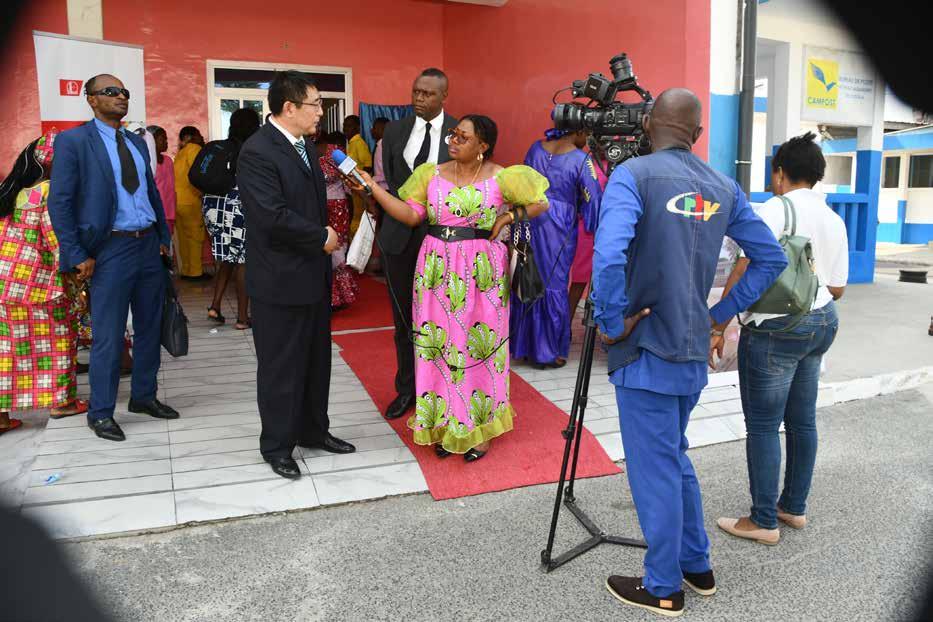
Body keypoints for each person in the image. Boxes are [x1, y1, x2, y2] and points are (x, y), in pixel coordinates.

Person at [591, 88, 787, 617]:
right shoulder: (724, 185)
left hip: (646, 348)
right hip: (690, 349)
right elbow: (770, 258)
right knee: (672, 457)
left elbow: (608, 256)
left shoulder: (632, 175)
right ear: (697, 134)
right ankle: (696, 565)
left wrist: (610, 322)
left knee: (654, 467)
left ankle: (662, 586)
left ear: (647, 124)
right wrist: (718, 316)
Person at [351, 115, 549, 461]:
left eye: (463, 137)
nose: (453, 140)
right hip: (435, 270)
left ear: (482, 145)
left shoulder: (502, 176)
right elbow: (411, 215)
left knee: (478, 347)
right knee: (438, 347)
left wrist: (508, 217)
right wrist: (374, 190)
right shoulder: (431, 174)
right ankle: (444, 425)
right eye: (453, 135)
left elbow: (541, 202)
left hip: (481, 273)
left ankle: (480, 429)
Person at [715, 132, 848, 545]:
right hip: (822, 321)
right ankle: (793, 507)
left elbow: (743, 266)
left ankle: (762, 521)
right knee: (802, 421)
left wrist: (718, 323)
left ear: (779, 173)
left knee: (763, 425)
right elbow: (838, 287)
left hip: (777, 327)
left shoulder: (775, 208)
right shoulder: (833, 218)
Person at [47, 73, 179, 442]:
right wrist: (76, 253)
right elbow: (60, 202)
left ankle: (143, 397)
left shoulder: (136, 141)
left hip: (147, 246)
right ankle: (101, 412)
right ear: (91, 99)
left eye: (124, 92)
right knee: (108, 334)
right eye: (110, 91)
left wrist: (162, 237)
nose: (120, 96)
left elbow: (150, 193)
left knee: (150, 327)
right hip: (109, 249)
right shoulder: (74, 142)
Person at [237, 70, 355, 480]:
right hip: (279, 278)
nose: (321, 112)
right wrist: (320, 236)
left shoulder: (304, 145)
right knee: (281, 367)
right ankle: (277, 445)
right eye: (316, 104)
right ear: (289, 107)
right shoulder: (258, 151)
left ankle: (313, 430)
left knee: (315, 361)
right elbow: (271, 215)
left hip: (312, 275)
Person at [379, 68, 458, 421]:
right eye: (416, 92)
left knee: (443, 318)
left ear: (444, 96)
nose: (419, 98)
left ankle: (442, 389)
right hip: (399, 237)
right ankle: (407, 389)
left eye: (428, 93)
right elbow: (389, 180)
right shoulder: (394, 130)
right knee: (403, 320)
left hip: (443, 239)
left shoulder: (460, 132)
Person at [0, 132, 88, 436]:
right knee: (60, 338)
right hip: (39, 285)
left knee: (5, 349)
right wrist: (79, 275)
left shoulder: (10, 189)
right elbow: (57, 240)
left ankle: (1, 417)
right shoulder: (50, 192)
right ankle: (62, 402)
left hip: (5, 281)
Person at [510, 128, 602, 369]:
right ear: (579, 131)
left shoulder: (535, 148)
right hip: (557, 225)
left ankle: (526, 346)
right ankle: (549, 351)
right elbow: (593, 198)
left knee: (528, 279)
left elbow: (521, 181)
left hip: (527, 217)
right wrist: (590, 220)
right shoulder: (582, 159)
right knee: (554, 284)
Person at [203, 108, 260, 330]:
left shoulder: (221, 147)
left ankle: (215, 306)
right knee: (244, 261)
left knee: (227, 257)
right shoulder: (251, 150)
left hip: (212, 209)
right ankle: (243, 319)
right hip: (237, 209)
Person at [568, 145, 609, 320]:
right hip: (586, 227)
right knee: (580, 278)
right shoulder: (584, 163)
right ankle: (566, 323)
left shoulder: (617, 166)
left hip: (608, 226)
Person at [317, 135, 359, 310]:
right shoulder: (303, 151)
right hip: (316, 208)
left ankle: (341, 294)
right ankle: (327, 294)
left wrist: (368, 201)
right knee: (322, 248)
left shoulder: (337, 152)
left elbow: (354, 177)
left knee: (338, 248)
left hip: (338, 207)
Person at [173, 125, 208, 281]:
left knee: (183, 237)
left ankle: (186, 270)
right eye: (198, 134)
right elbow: (198, 173)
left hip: (177, 201)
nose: (201, 138)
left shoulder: (180, 153)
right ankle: (195, 272)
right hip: (191, 200)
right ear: (188, 137)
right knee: (195, 236)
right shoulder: (194, 149)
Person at [344, 115, 373, 237]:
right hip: (354, 187)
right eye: (344, 126)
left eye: (349, 126)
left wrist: (361, 182)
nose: (346, 129)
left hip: (360, 188)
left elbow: (368, 165)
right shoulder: (351, 143)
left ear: (357, 128)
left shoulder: (359, 143)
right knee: (355, 214)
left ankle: (357, 240)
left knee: (359, 216)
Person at [147, 125, 175, 234]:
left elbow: (172, 187)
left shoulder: (168, 161)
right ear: (151, 141)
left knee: (168, 241)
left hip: (170, 211)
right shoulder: (148, 162)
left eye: (166, 139)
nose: (166, 142)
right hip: (155, 212)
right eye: (162, 139)